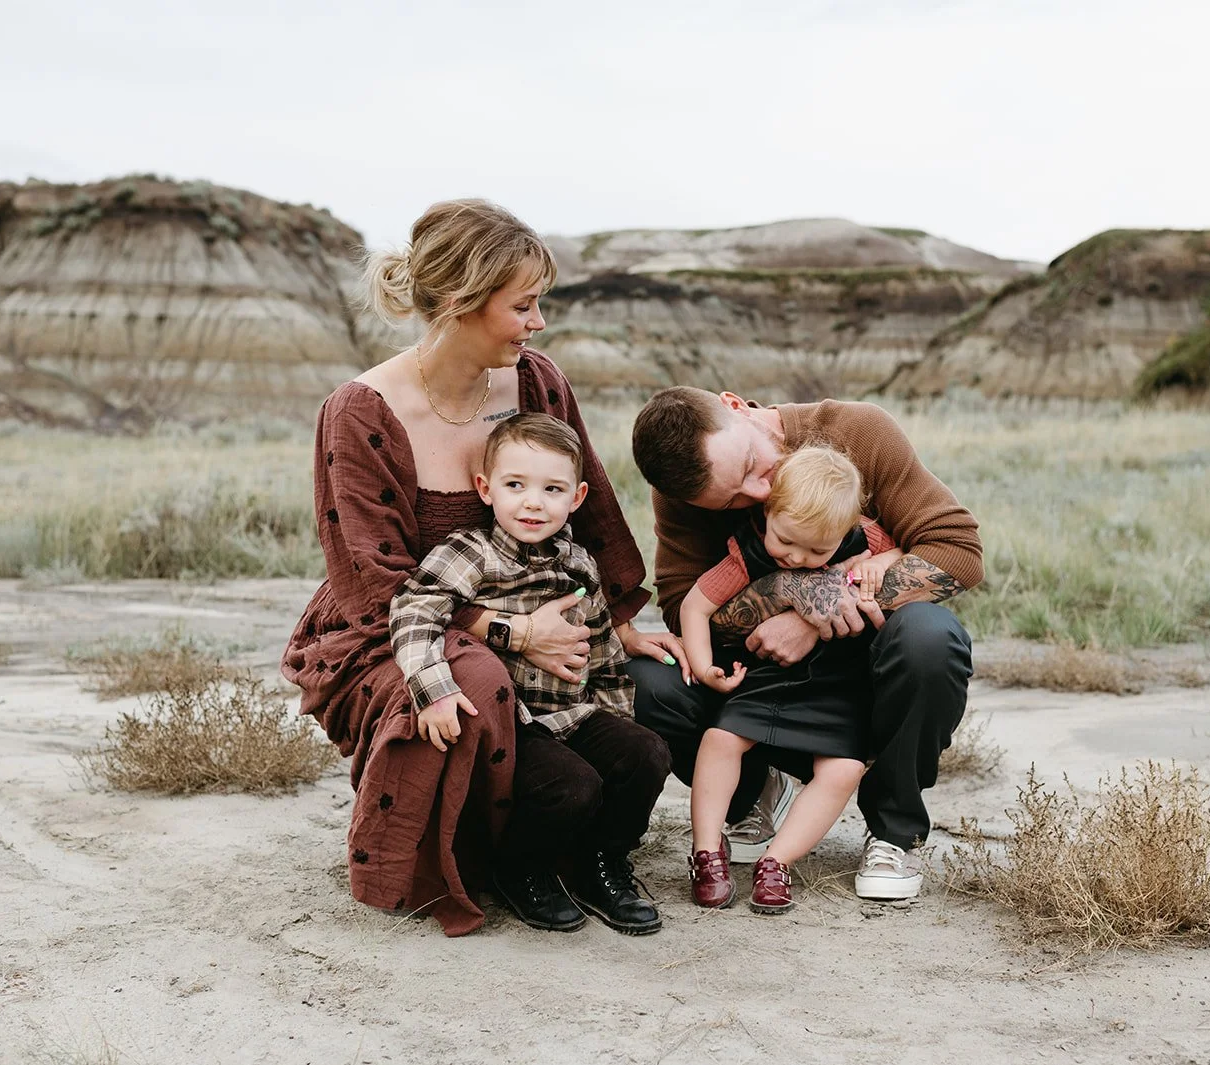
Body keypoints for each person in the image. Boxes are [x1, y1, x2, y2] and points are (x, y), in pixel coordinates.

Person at [280, 200, 683, 937]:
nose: (537, 323)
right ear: (464, 302)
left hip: (534, 598)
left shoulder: (536, 382)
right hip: (402, 625)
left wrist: (623, 619)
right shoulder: (362, 412)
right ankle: (496, 856)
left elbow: (587, 503)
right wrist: (516, 631)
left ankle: (597, 844)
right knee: (481, 679)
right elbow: (378, 588)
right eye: (524, 305)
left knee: (660, 695)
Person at [629, 386, 981, 900]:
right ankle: (752, 795)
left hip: (857, 670)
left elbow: (959, 554)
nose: (757, 493)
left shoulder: (859, 431)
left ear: (736, 406)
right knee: (647, 681)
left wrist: (819, 607)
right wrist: (788, 589)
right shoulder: (684, 485)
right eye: (731, 500)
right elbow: (683, 603)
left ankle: (893, 830)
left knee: (929, 639)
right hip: (758, 674)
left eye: (753, 464)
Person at [390, 414, 669, 935]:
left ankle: (599, 864)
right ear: (486, 488)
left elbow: (603, 650)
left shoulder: (580, 564)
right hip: (510, 719)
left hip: (570, 710)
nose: (533, 502)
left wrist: (615, 731)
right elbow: (414, 610)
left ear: (578, 497)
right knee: (571, 784)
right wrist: (433, 691)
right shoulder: (470, 553)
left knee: (645, 752)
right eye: (515, 485)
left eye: (552, 489)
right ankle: (523, 870)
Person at [679, 445, 903, 913]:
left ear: (847, 528)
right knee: (721, 738)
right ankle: (706, 852)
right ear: (769, 511)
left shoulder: (865, 539)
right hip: (769, 673)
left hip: (840, 681)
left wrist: (879, 563)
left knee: (843, 768)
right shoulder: (750, 550)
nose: (798, 557)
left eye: (817, 549)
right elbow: (694, 605)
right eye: (787, 542)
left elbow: (907, 550)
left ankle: (776, 862)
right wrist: (703, 667)